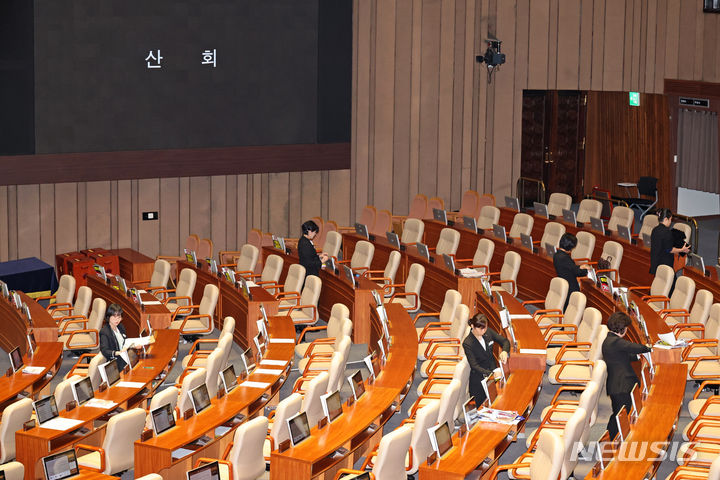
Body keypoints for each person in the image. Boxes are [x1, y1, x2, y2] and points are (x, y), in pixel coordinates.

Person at [602, 312, 651, 439]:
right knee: (620, 416)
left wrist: (636, 357)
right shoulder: (615, 342)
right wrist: (649, 348)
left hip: (617, 384)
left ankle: (610, 438)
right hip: (621, 386)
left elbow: (622, 355)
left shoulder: (609, 340)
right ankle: (610, 440)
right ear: (622, 329)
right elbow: (635, 347)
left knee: (619, 414)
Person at [462, 313, 510, 407]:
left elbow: (505, 341)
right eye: (481, 329)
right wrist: (491, 374)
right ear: (472, 326)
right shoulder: (468, 343)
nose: (484, 331)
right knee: (482, 408)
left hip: (493, 374)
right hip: (479, 380)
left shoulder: (487, 332)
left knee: (498, 403)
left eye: (485, 328)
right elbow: (474, 366)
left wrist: (504, 351)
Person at [553, 233, 591, 311]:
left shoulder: (557, 255)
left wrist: (580, 266)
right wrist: (586, 269)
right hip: (571, 289)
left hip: (565, 284)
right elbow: (577, 272)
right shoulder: (565, 258)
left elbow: (570, 268)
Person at [650, 208, 690, 275]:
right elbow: (669, 250)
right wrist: (682, 249)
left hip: (655, 261)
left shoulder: (655, 230)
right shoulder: (667, 233)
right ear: (666, 219)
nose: (671, 221)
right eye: (670, 219)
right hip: (665, 263)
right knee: (670, 282)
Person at [99, 303, 130, 370]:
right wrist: (117, 353)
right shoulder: (104, 331)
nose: (117, 320)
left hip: (124, 356)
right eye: (114, 317)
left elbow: (125, 341)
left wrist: (133, 345)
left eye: (119, 317)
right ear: (108, 317)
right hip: (116, 362)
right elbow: (104, 350)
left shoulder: (120, 326)